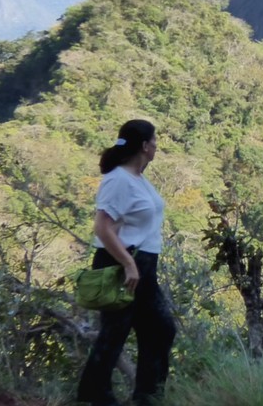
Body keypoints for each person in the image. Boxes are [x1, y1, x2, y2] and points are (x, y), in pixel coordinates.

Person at [76, 119, 175, 406]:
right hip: (123, 264)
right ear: (144, 146)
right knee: (116, 333)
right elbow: (102, 227)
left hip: (144, 265)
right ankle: (96, 396)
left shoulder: (138, 179)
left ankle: (146, 397)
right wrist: (129, 265)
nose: (157, 145)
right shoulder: (118, 180)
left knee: (159, 329)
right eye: (154, 140)